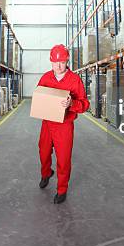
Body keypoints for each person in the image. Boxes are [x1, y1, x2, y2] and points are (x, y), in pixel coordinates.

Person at [36, 44, 89, 204]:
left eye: (62, 62)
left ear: (67, 61)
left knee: (63, 159)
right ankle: (46, 173)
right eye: (55, 63)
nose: (58, 66)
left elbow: (85, 104)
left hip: (64, 125)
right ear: (51, 62)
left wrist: (71, 103)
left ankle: (62, 189)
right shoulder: (46, 78)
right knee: (43, 151)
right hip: (47, 123)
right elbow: (39, 96)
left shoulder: (74, 80)